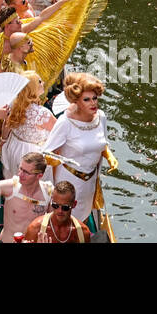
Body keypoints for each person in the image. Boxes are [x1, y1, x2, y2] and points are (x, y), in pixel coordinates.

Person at [42, 72, 114, 231]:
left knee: (83, 217)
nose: (93, 103)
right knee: (64, 220)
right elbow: (46, 153)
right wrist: (57, 160)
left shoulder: (100, 117)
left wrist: (108, 154)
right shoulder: (65, 122)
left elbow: (102, 142)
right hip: (69, 180)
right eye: (86, 100)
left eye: (94, 98)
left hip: (90, 181)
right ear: (77, 101)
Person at [23, 180, 90, 243]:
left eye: (65, 207)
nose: (59, 211)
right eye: (55, 205)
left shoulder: (83, 232)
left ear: (74, 204)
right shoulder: (35, 229)